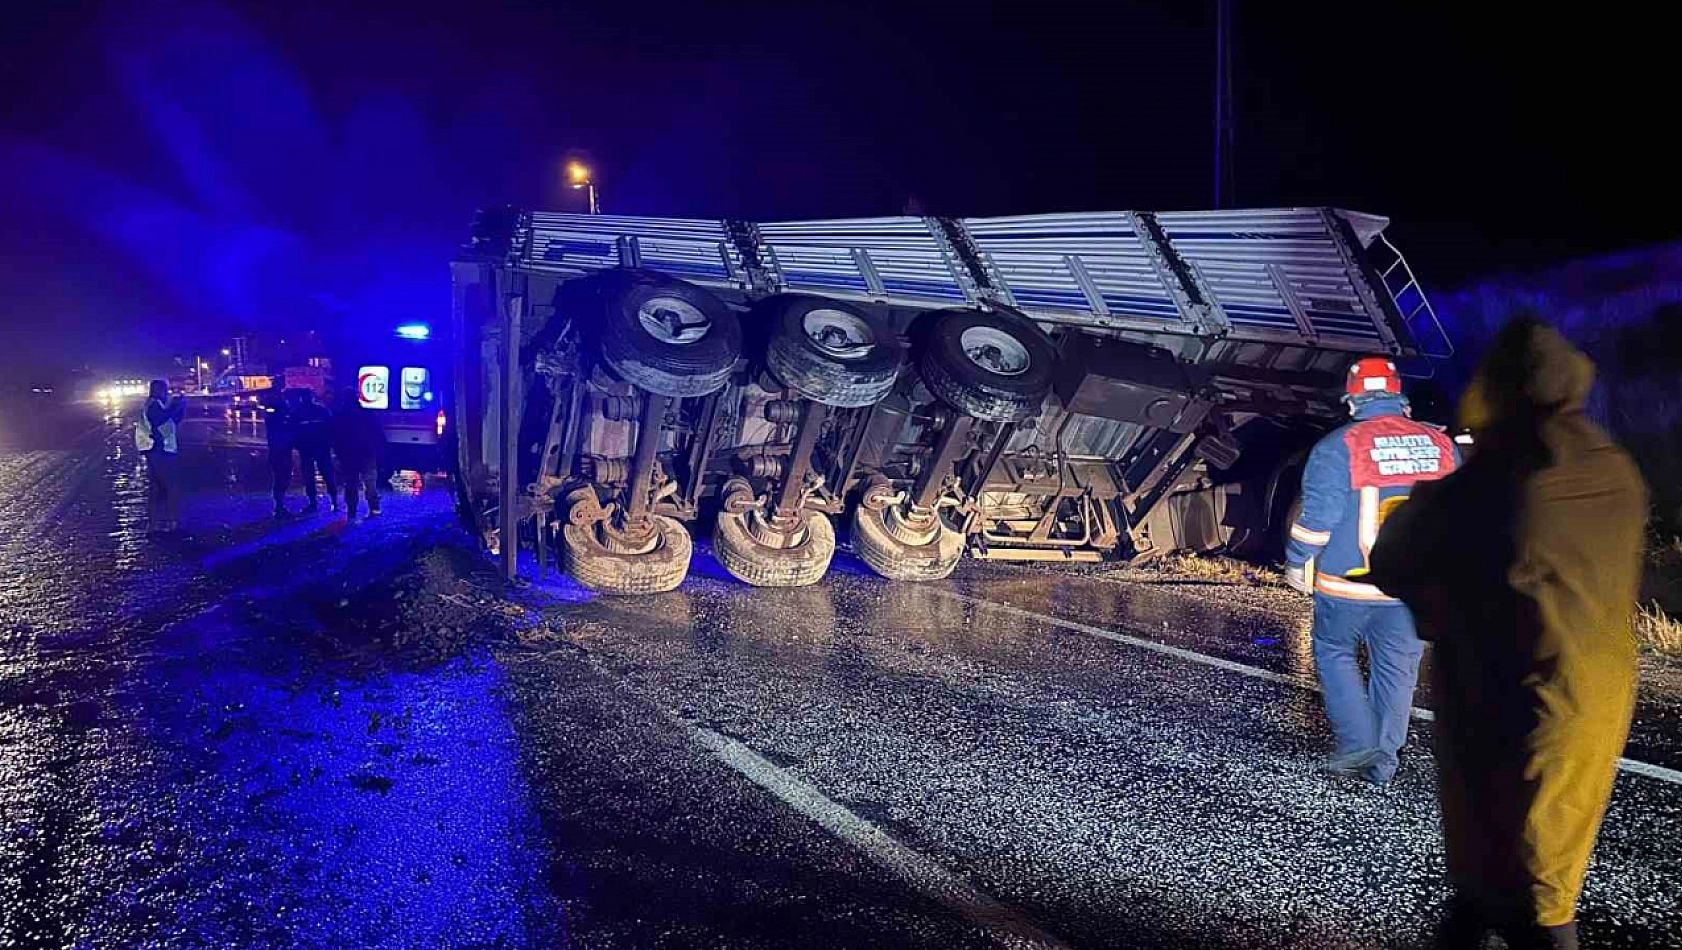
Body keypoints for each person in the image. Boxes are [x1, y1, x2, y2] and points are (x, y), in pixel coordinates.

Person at [1368, 320, 1647, 950]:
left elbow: (1396, 555)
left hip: (1504, 695)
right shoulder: (1613, 465)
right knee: (1539, 866)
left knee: (1525, 887)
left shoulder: (1498, 477)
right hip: (1594, 691)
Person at [1283, 356, 1459, 785]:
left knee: (1334, 651)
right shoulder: (1442, 447)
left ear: (1352, 400)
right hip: (1413, 589)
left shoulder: (1335, 448)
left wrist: (1295, 562)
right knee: (1397, 671)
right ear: (1402, 399)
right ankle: (1382, 767)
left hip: (1348, 585)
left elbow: (1316, 523)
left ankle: (1358, 741)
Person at [139, 379, 186, 534]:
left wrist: (181, 406)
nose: (167, 394)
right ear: (158, 391)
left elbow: (173, 421)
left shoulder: (158, 405)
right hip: (159, 451)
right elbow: (160, 419)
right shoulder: (153, 405)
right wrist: (174, 406)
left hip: (161, 451)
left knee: (159, 487)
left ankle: (157, 523)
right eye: (165, 391)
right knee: (169, 486)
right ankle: (168, 522)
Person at [331, 385, 385, 519]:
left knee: (351, 484)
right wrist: (378, 451)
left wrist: (338, 453)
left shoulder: (339, 415)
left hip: (348, 456)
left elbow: (334, 436)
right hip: (366, 454)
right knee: (370, 483)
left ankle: (352, 513)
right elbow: (378, 434)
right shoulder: (367, 414)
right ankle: (374, 508)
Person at [287, 388, 338, 513]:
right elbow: (331, 428)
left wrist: (297, 445)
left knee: (312, 476)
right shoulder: (321, 411)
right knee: (324, 475)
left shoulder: (297, 412)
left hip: (310, 449)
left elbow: (293, 432)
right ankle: (332, 502)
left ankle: (316, 503)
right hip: (317, 448)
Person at [261, 389, 294, 516]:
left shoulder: (281, 407)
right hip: (279, 448)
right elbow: (273, 421)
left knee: (283, 477)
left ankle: (279, 505)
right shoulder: (275, 407)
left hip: (282, 447)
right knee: (281, 477)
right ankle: (279, 506)